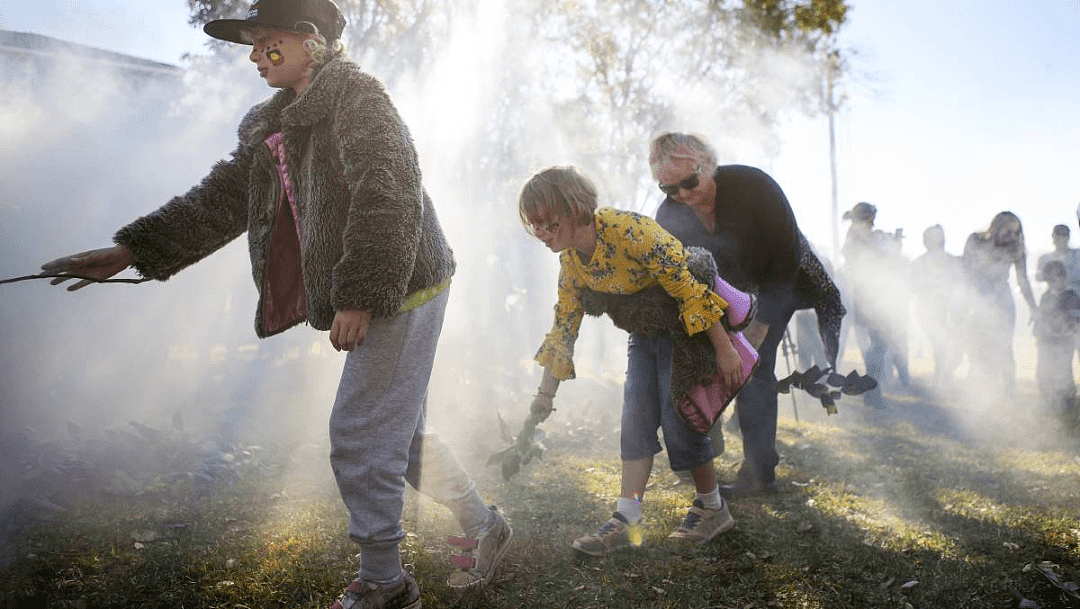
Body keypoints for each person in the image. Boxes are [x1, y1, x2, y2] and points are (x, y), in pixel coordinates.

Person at [39, 2, 510, 607]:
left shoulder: (359, 98)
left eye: (269, 44)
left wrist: (360, 297)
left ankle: (385, 584)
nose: (256, 57)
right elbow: (221, 199)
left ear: (311, 42)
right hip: (374, 282)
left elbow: (386, 195)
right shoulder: (271, 123)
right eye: (253, 47)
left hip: (406, 281)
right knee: (399, 438)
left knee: (362, 434)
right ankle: (486, 525)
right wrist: (131, 249)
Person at [519, 166, 747, 556]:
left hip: (686, 329)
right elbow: (564, 327)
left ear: (574, 209)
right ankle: (627, 517)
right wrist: (545, 394)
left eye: (546, 222)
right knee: (636, 416)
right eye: (534, 225)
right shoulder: (573, 262)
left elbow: (689, 288)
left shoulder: (628, 231)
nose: (540, 233)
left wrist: (725, 349)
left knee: (680, 421)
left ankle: (713, 507)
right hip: (645, 333)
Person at [649, 132, 802, 498]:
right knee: (702, 367)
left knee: (755, 368)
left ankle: (760, 471)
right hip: (712, 301)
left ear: (708, 163)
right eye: (669, 189)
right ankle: (702, 457)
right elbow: (681, 281)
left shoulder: (756, 187)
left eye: (689, 182)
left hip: (771, 288)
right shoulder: (669, 215)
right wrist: (716, 338)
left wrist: (762, 324)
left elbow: (786, 261)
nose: (683, 195)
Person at [960, 211, 1037, 403]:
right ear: (996, 227)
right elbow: (965, 270)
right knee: (978, 346)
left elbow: (1023, 280)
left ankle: (1009, 394)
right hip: (978, 297)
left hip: (1002, 298)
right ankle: (977, 393)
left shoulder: (1016, 249)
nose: (1010, 235)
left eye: (1015, 232)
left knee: (1004, 347)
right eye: (1007, 230)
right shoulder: (976, 240)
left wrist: (1034, 308)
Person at [841, 202, 902, 409]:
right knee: (877, 346)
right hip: (870, 298)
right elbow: (882, 260)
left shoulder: (860, 235)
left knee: (877, 346)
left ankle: (872, 390)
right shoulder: (860, 236)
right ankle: (871, 390)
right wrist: (891, 246)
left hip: (871, 296)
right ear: (867, 217)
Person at [909, 225, 963, 390]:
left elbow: (961, 283)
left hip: (952, 311)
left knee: (954, 349)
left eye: (940, 237)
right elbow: (913, 285)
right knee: (941, 346)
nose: (940, 241)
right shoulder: (919, 263)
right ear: (926, 242)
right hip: (929, 312)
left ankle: (943, 378)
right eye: (935, 237)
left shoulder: (953, 261)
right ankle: (940, 381)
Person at [1033, 260, 1080, 427]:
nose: (1055, 282)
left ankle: (1069, 413)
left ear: (1064, 277)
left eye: (1058, 278)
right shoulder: (1046, 297)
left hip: (1063, 345)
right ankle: (1049, 410)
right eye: (1051, 279)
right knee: (1044, 376)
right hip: (1047, 345)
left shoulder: (1072, 296)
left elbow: (1074, 324)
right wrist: (1039, 336)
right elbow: (1040, 321)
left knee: (1063, 377)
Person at [1035, 224, 1080, 295]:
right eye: (1058, 234)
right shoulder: (1044, 259)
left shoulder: (1077, 255)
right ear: (1053, 237)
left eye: (1064, 234)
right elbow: (1038, 277)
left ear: (1068, 237)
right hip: (1055, 300)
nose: (1061, 237)